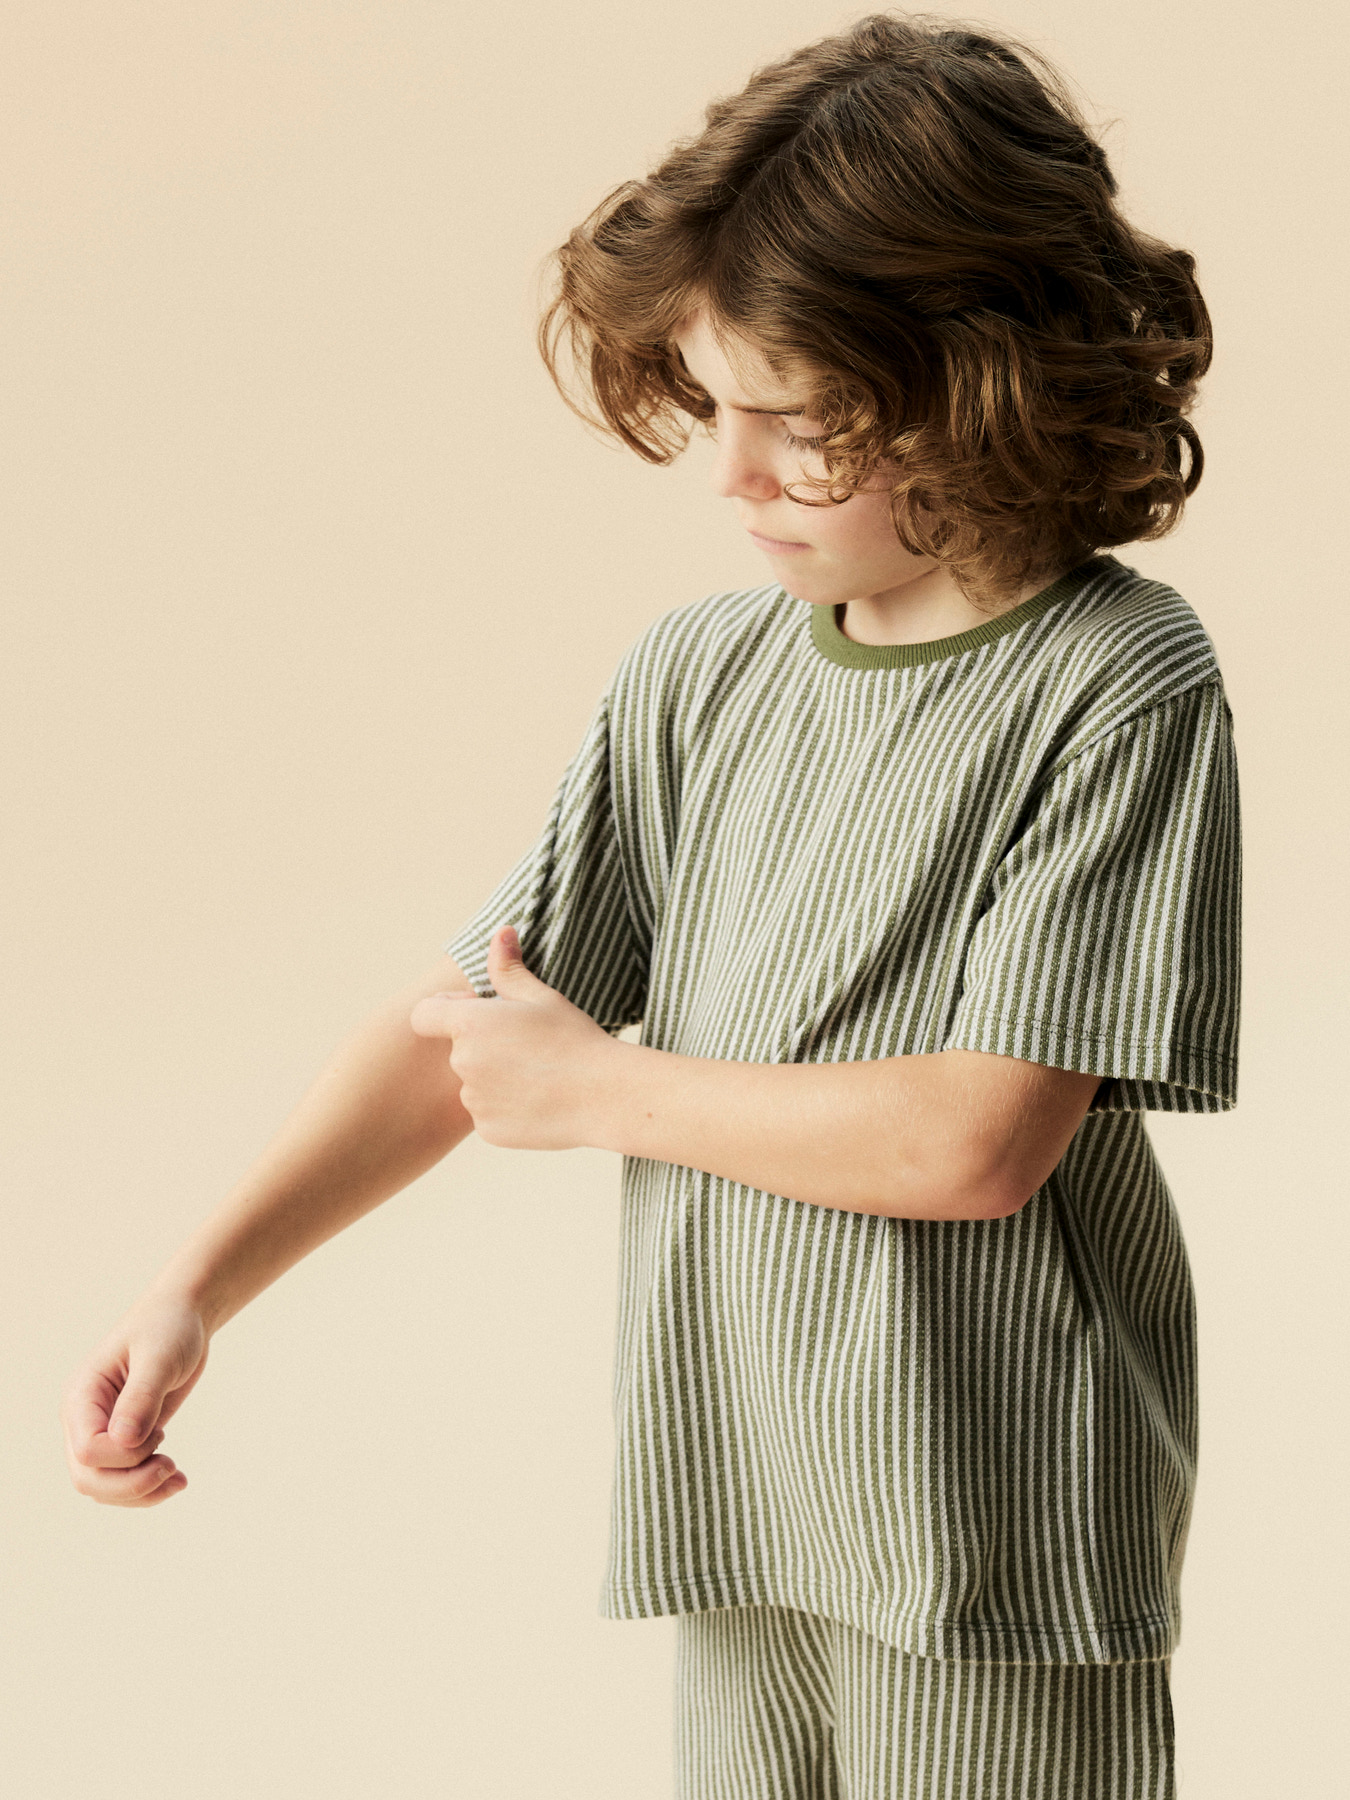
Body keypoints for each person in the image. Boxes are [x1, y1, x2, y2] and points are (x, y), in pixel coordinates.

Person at [61, 13, 1240, 1798]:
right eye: (714, 408)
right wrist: (198, 1288)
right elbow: (466, 1026)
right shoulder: (695, 677)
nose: (732, 475)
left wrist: (601, 1089)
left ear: (985, 384)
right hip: (736, 1496)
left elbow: (976, 1141)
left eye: (803, 423)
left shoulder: (1116, 682)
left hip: (987, 1528)